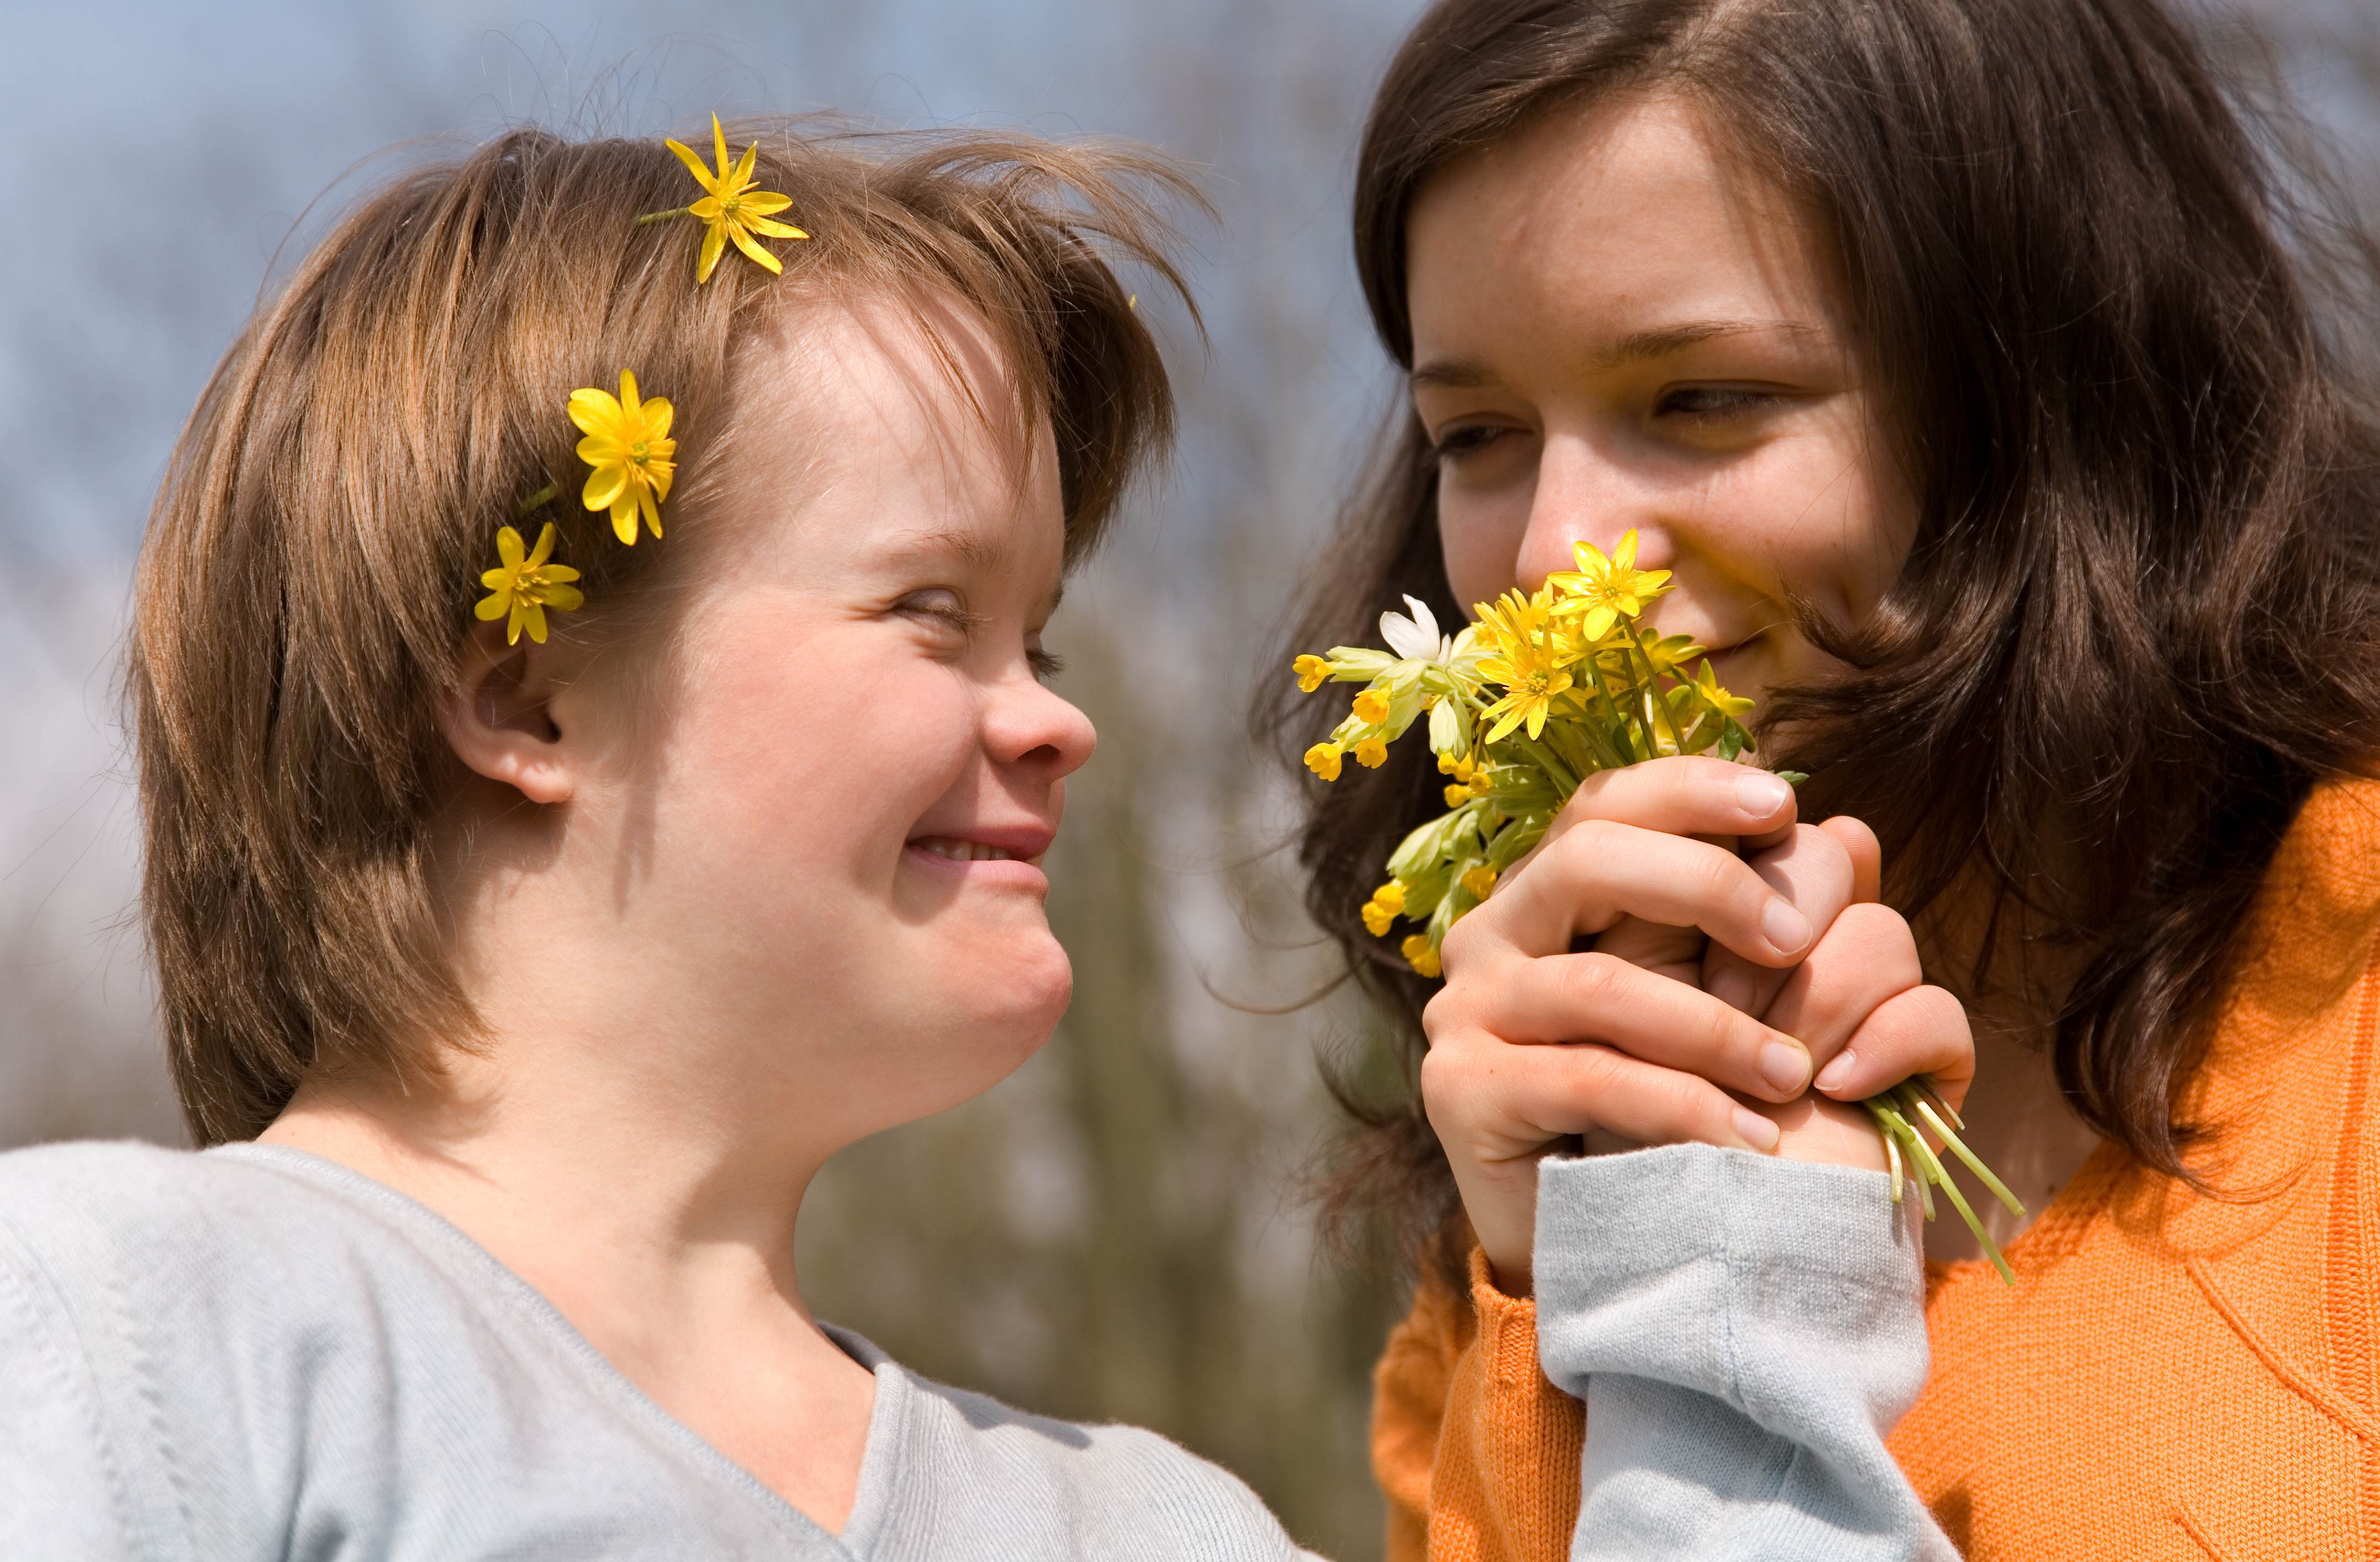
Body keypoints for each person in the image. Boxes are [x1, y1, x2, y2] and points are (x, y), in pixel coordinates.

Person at [0, 115, 1960, 1561]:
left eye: (1049, 630)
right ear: (525, 700)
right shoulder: (125, 1330)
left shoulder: (1155, 1530)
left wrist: (1723, 1245)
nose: (1059, 716)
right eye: (933, 611)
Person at [1270, 0, 2380, 1556]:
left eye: (1704, 399)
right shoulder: (1502, 1258)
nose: (1547, 557)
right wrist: (1590, 1295)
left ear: (2047, 384)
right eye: (1479, 433)